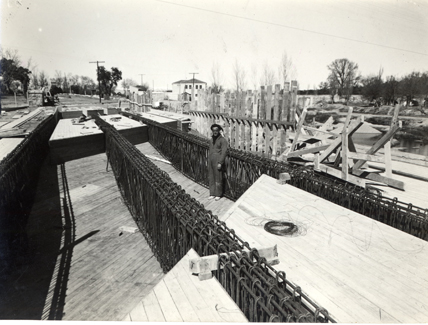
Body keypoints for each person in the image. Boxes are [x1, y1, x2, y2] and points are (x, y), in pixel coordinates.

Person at [208, 124, 228, 201]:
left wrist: (220, 162)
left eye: (216, 130)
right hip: (211, 160)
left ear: (219, 130)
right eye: (213, 130)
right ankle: (212, 193)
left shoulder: (223, 140)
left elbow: (224, 152)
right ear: (212, 131)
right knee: (211, 177)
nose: (215, 132)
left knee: (218, 177)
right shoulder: (211, 139)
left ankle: (218, 194)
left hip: (217, 160)